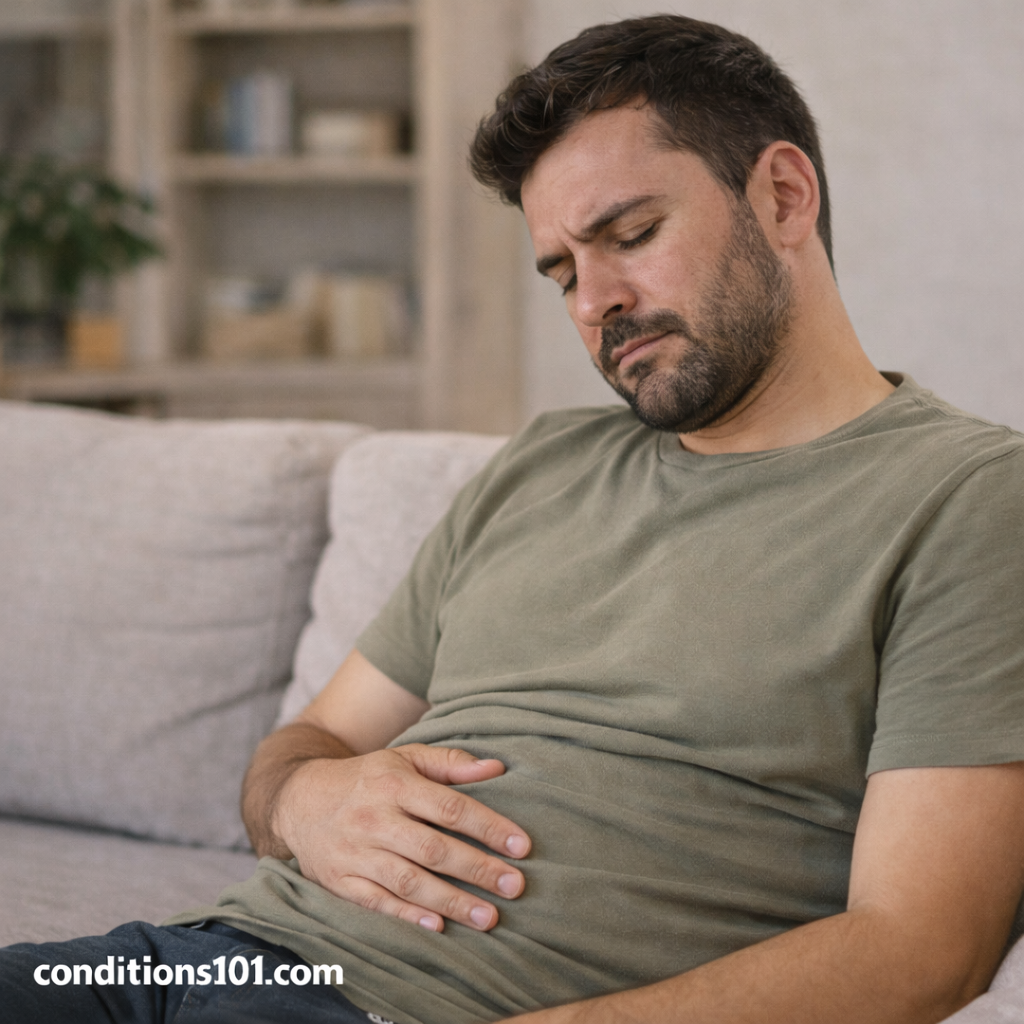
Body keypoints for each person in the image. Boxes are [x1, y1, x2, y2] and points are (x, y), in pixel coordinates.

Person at [4, 14, 1024, 1024]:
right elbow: (309, 739)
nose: (594, 303)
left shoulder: (968, 497)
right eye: (564, 272)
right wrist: (300, 801)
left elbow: (921, 947)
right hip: (180, 966)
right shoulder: (542, 462)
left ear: (783, 196)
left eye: (630, 236)